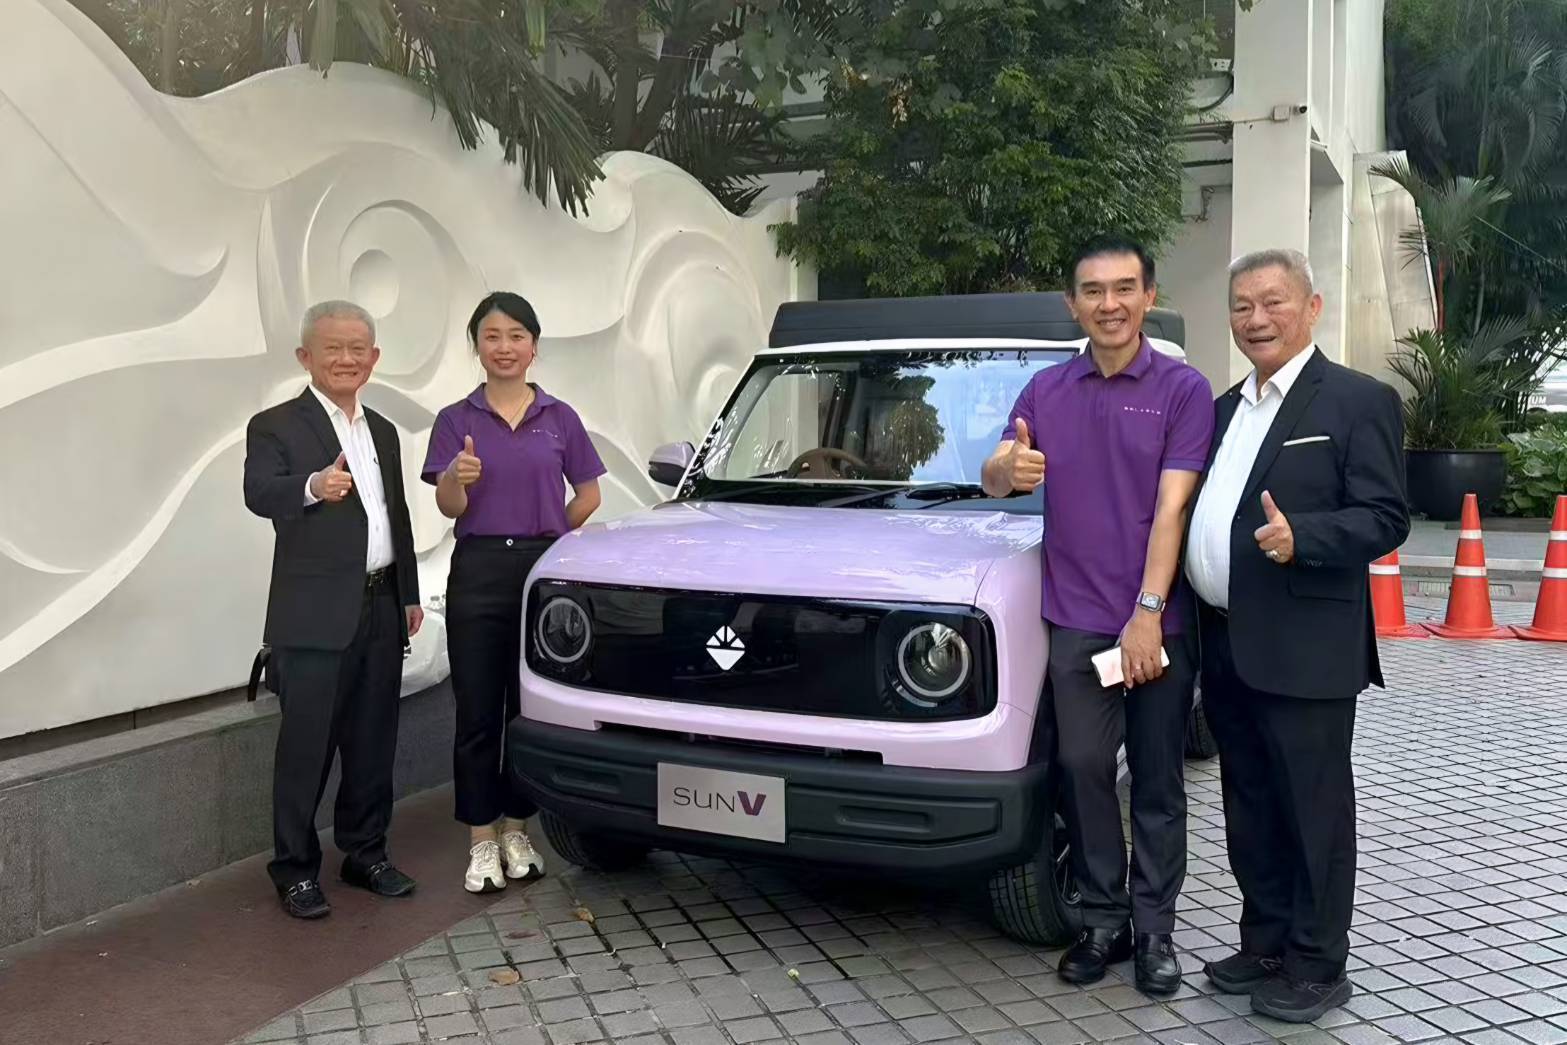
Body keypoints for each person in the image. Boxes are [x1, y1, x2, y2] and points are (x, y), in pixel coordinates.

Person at [981, 235, 1214, 995]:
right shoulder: (1047, 390)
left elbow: (1172, 510)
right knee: (1081, 770)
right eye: (1092, 291)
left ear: (1148, 296)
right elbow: (997, 474)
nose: (1108, 304)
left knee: (1156, 779)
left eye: (1123, 288)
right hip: (1076, 620)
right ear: (1072, 304)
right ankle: (1102, 920)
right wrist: (1005, 468)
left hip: (1156, 622)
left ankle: (1155, 930)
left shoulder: (1182, 390)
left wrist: (1148, 612)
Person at [1184, 249, 1409, 1023]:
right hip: (1225, 641)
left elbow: (1384, 515)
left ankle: (1316, 961)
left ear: (1311, 307)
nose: (1256, 318)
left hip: (1306, 646)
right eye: (1241, 305)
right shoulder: (1222, 409)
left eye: (1273, 301)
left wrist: (1303, 535)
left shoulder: (1356, 400)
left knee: (1312, 808)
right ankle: (1265, 940)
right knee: (1248, 801)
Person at [243, 300, 423, 919]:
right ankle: (295, 869)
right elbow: (258, 492)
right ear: (305, 357)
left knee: (373, 742)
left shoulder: (384, 431)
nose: (346, 359)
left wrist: (407, 594)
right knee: (306, 749)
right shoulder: (275, 425)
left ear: (373, 358)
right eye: (332, 349)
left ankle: (365, 853)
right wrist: (313, 486)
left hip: (381, 606)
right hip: (313, 616)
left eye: (357, 349)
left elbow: (396, 516)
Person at [422, 291, 606, 893]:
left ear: (534, 346)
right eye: (492, 336)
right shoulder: (457, 419)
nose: (505, 347)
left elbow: (589, 494)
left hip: (539, 573)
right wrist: (456, 478)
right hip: (477, 570)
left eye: (516, 336)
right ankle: (481, 838)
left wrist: (551, 535)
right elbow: (449, 506)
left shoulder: (559, 417)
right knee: (477, 711)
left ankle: (517, 828)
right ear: (477, 346)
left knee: (526, 710)